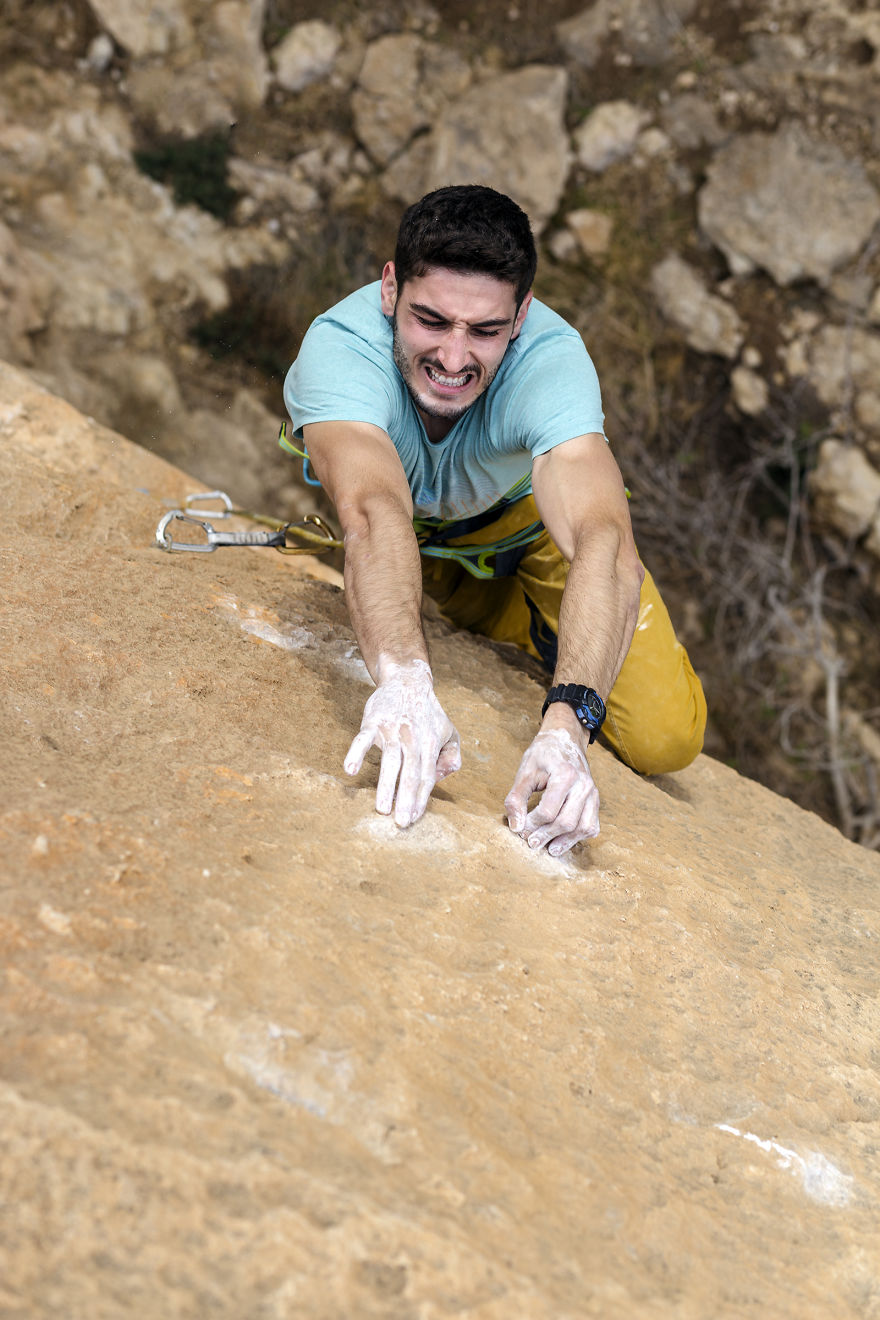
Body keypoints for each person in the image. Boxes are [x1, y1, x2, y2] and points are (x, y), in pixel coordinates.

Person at [282, 184, 706, 856]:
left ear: (522, 314)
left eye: (485, 331)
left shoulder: (550, 361)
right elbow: (371, 509)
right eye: (431, 320)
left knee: (666, 734)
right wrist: (404, 682)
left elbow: (604, 538)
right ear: (389, 289)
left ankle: (550, 625)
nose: (454, 358)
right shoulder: (340, 349)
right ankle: (530, 623)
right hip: (420, 550)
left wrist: (569, 724)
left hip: (530, 537)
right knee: (416, 584)